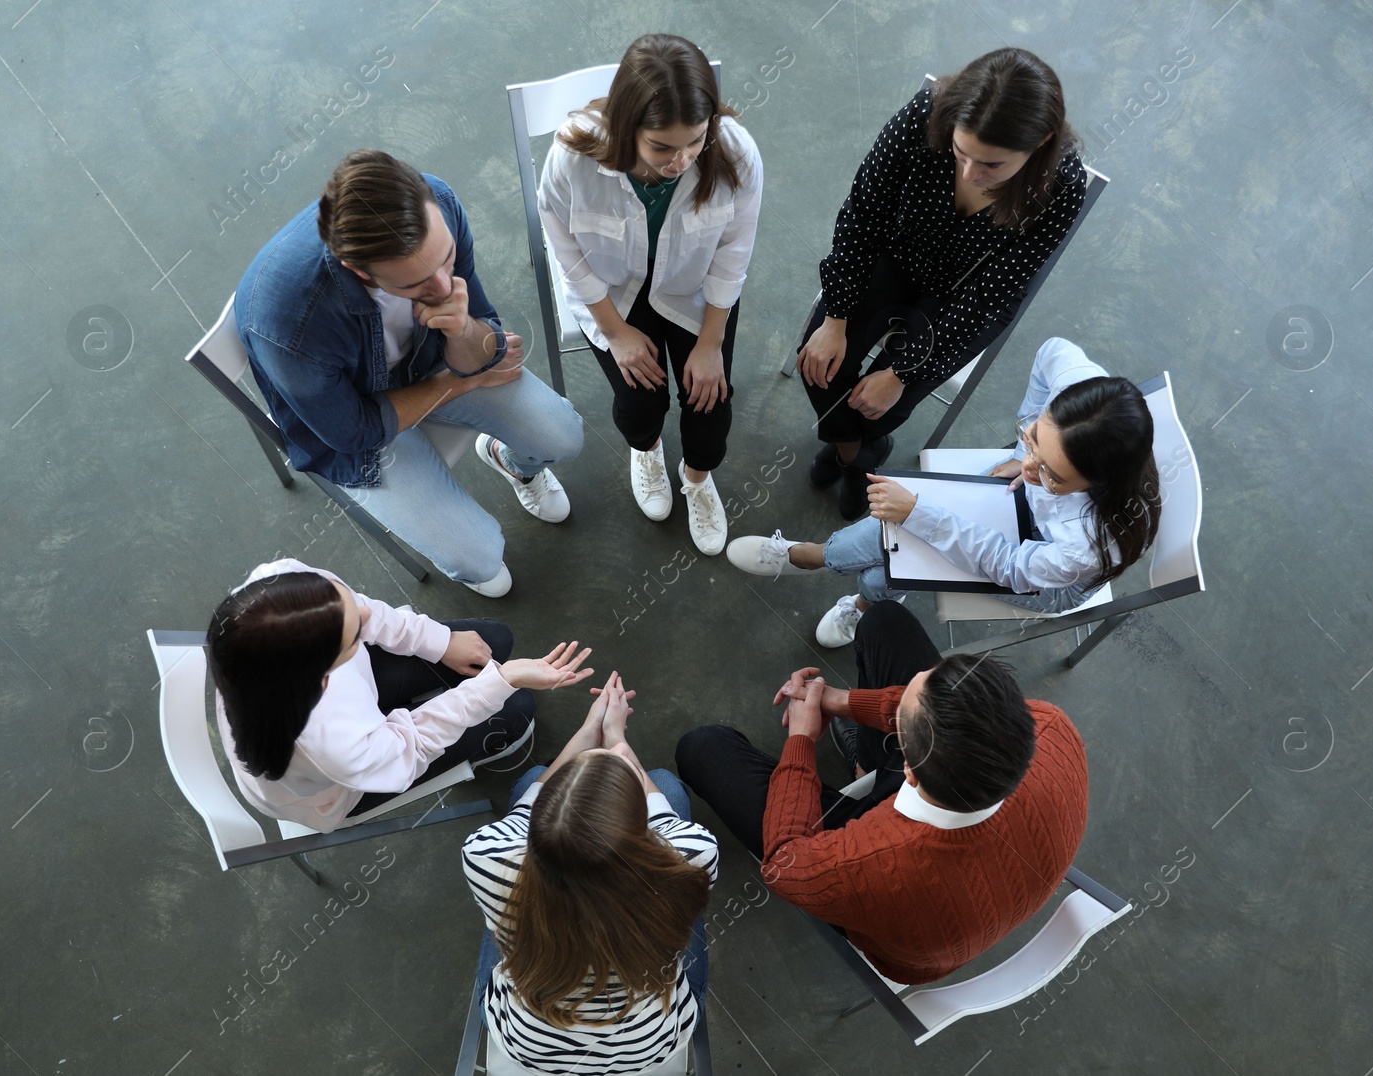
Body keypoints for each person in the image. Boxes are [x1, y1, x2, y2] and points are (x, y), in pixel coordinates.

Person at [676, 600, 1087, 985]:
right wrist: (842, 701)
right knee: (884, 619)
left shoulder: (873, 867)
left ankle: (867, 765)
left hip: (900, 902)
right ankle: (868, 762)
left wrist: (801, 739)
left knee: (701, 749)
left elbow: (787, 863)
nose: (907, 686)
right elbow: (921, 703)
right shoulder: (1051, 725)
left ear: (906, 767)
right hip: (977, 855)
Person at [236, 149, 585, 598]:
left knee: (562, 436)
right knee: (481, 561)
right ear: (357, 269)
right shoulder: (288, 324)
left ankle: (513, 465)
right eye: (414, 285)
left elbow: (482, 333)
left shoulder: (436, 201)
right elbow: (353, 430)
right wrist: (461, 380)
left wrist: (462, 331)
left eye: (446, 259)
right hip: (353, 412)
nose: (443, 288)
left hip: (427, 359)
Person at [796, 47, 1088, 519]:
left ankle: (850, 450)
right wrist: (835, 316)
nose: (970, 174)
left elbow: (990, 296)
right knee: (820, 364)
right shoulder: (924, 114)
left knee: (887, 406)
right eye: (960, 152)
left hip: (963, 297)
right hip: (894, 253)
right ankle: (857, 458)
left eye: (992, 165)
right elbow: (863, 214)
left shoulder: (1061, 185)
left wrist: (901, 373)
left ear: (1041, 142)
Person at [732, 337, 1159, 647]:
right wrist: (1025, 453)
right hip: (1023, 513)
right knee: (900, 549)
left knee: (913, 528)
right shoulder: (1080, 395)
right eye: (1034, 439)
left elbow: (1008, 566)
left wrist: (916, 513)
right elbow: (1051, 349)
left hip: (1039, 574)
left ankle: (810, 557)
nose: (1032, 467)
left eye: (1052, 473)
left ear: (1096, 483)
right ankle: (867, 599)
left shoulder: (1086, 543)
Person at [538, 33, 763, 555]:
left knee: (711, 407)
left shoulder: (735, 154)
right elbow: (564, 245)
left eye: (695, 141)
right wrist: (614, 332)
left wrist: (711, 344)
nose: (681, 160)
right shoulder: (572, 156)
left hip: (695, 290)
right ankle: (647, 450)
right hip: (613, 291)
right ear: (625, 126)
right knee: (639, 401)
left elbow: (734, 253)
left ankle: (698, 478)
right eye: (662, 146)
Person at [207, 558, 594, 833]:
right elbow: (410, 746)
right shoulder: (332, 744)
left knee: (494, 641)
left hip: (346, 726)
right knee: (517, 708)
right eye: (354, 637)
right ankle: (495, 745)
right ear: (323, 678)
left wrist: (438, 642)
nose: (366, 616)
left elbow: (361, 609)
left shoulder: (278, 583)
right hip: (347, 784)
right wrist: (502, 681)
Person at [463, 672, 716, 1075]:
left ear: (537, 830)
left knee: (530, 778)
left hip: (527, 1043)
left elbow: (530, 801)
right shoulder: (693, 856)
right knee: (667, 786)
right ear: (641, 835)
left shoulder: (486, 858)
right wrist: (618, 740)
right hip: (650, 1045)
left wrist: (585, 736)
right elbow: (664, 814)